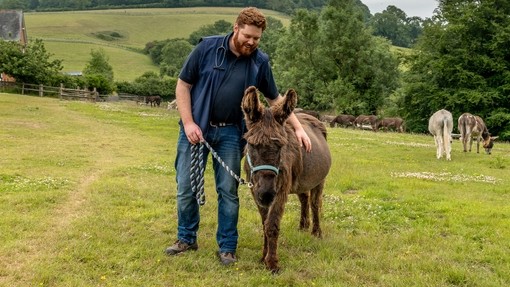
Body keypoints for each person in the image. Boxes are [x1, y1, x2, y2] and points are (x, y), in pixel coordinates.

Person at [165, 7, 312, 265]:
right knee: (187, 187)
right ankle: (186, 238)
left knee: (228, 191)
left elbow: (274, 98)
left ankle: (227, 247)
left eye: (257, 38)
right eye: (248, 36)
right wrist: (188, 123)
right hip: (195, 130)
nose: (251, 42)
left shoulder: (259, 61)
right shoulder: (206, 49)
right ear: (236, 28)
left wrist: (298, 128)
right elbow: (183, 85)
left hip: (232, 133)